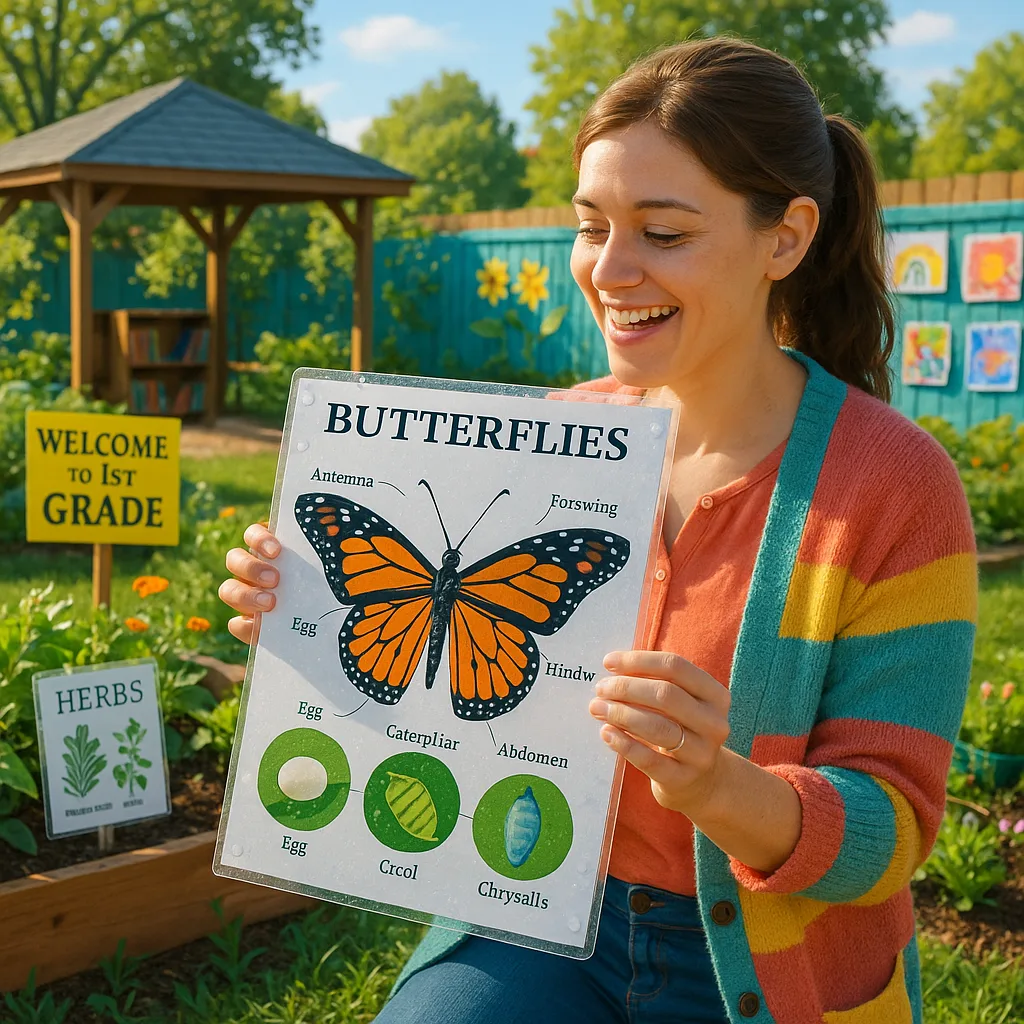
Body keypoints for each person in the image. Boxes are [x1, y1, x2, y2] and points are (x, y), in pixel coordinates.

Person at [220, 37, 976, 1024]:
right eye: (590, 226)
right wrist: (308, 620)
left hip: (765, 964)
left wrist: (720, 785)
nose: (610, 270)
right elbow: (449, 695)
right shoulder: (559, 439)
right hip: (539, 913)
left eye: (662, 234)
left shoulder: (893, 484)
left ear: (784, 238)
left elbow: (889, 836)